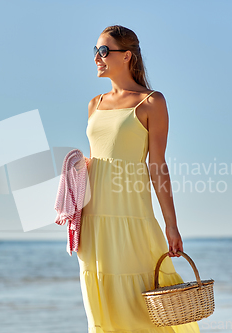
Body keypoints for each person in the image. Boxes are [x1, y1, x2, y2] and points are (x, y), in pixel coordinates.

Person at [77, 25, 201, 332]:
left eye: (104, 51)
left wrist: (171, 224)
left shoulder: (151, 102)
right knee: (100, 294)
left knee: (144, 291)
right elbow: (100, 154)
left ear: (127, 56)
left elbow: (157, 165)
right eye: (95, 51)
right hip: (94, 215)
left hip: (131, 212)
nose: (97, 58)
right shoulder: (95, 104)